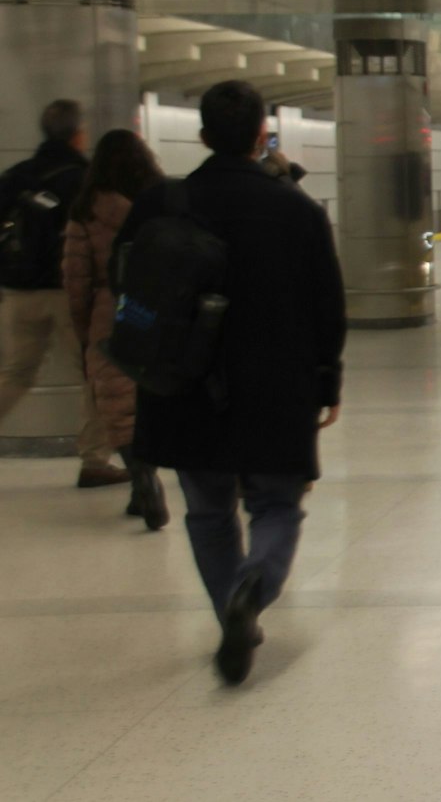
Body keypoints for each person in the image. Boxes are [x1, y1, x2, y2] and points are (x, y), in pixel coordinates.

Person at [121, 80, 346, 685]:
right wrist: (328, 383)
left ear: (201, 137)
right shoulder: (296, 210)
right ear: (259, 137)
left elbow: (131, 290)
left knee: (207, 512)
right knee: (276, 504)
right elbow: (328, 306)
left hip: (184, 384)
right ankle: (255, 584)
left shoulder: (162, 205)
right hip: (275, 386)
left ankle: (230, 612)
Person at [0, 100, 121, 488]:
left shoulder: (17, 176)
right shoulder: (84, 179)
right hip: (67, 294)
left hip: (19, 293)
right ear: (78, 134)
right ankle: (94, 459)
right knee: (93, 374)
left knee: (16, 373)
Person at [62, 129, 169, 528]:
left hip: (112, 308)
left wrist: (83, 328)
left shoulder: (87, 209)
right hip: (158, 306)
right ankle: (149, 476)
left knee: (117, 402)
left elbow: (76, 277)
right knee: (154, 396)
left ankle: (142, 480)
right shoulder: (160, 199)